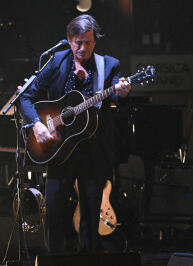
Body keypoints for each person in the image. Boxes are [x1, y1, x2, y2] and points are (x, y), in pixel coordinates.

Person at [19, 14, 131, 254]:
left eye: (88, 42)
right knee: (53, 208)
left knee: (92, 212)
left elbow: (113, 97)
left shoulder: (108, 65)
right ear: (69, 40)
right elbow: (27, 97)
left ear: (95, 41)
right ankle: (54, 259)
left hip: (94, 148)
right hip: (59, 147)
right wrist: (37, 124)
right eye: (77, 42)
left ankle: (89, 259)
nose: (82, 48)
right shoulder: (56, 61)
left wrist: (121, 93)